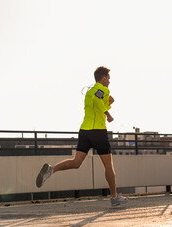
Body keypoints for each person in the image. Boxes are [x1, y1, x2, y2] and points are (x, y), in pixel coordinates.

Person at [36, 66, 128, 207]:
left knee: (76, 162)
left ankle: (51, 169)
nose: (109, 81)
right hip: (98, 131)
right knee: (109, 165)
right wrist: (108, 114)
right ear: (103, 78)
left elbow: (95, 105)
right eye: (108, 78)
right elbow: (98, 103)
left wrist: (108, 104)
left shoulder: (89, 91)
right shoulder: (103, 89)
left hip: (85, 131)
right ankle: (114, 197)